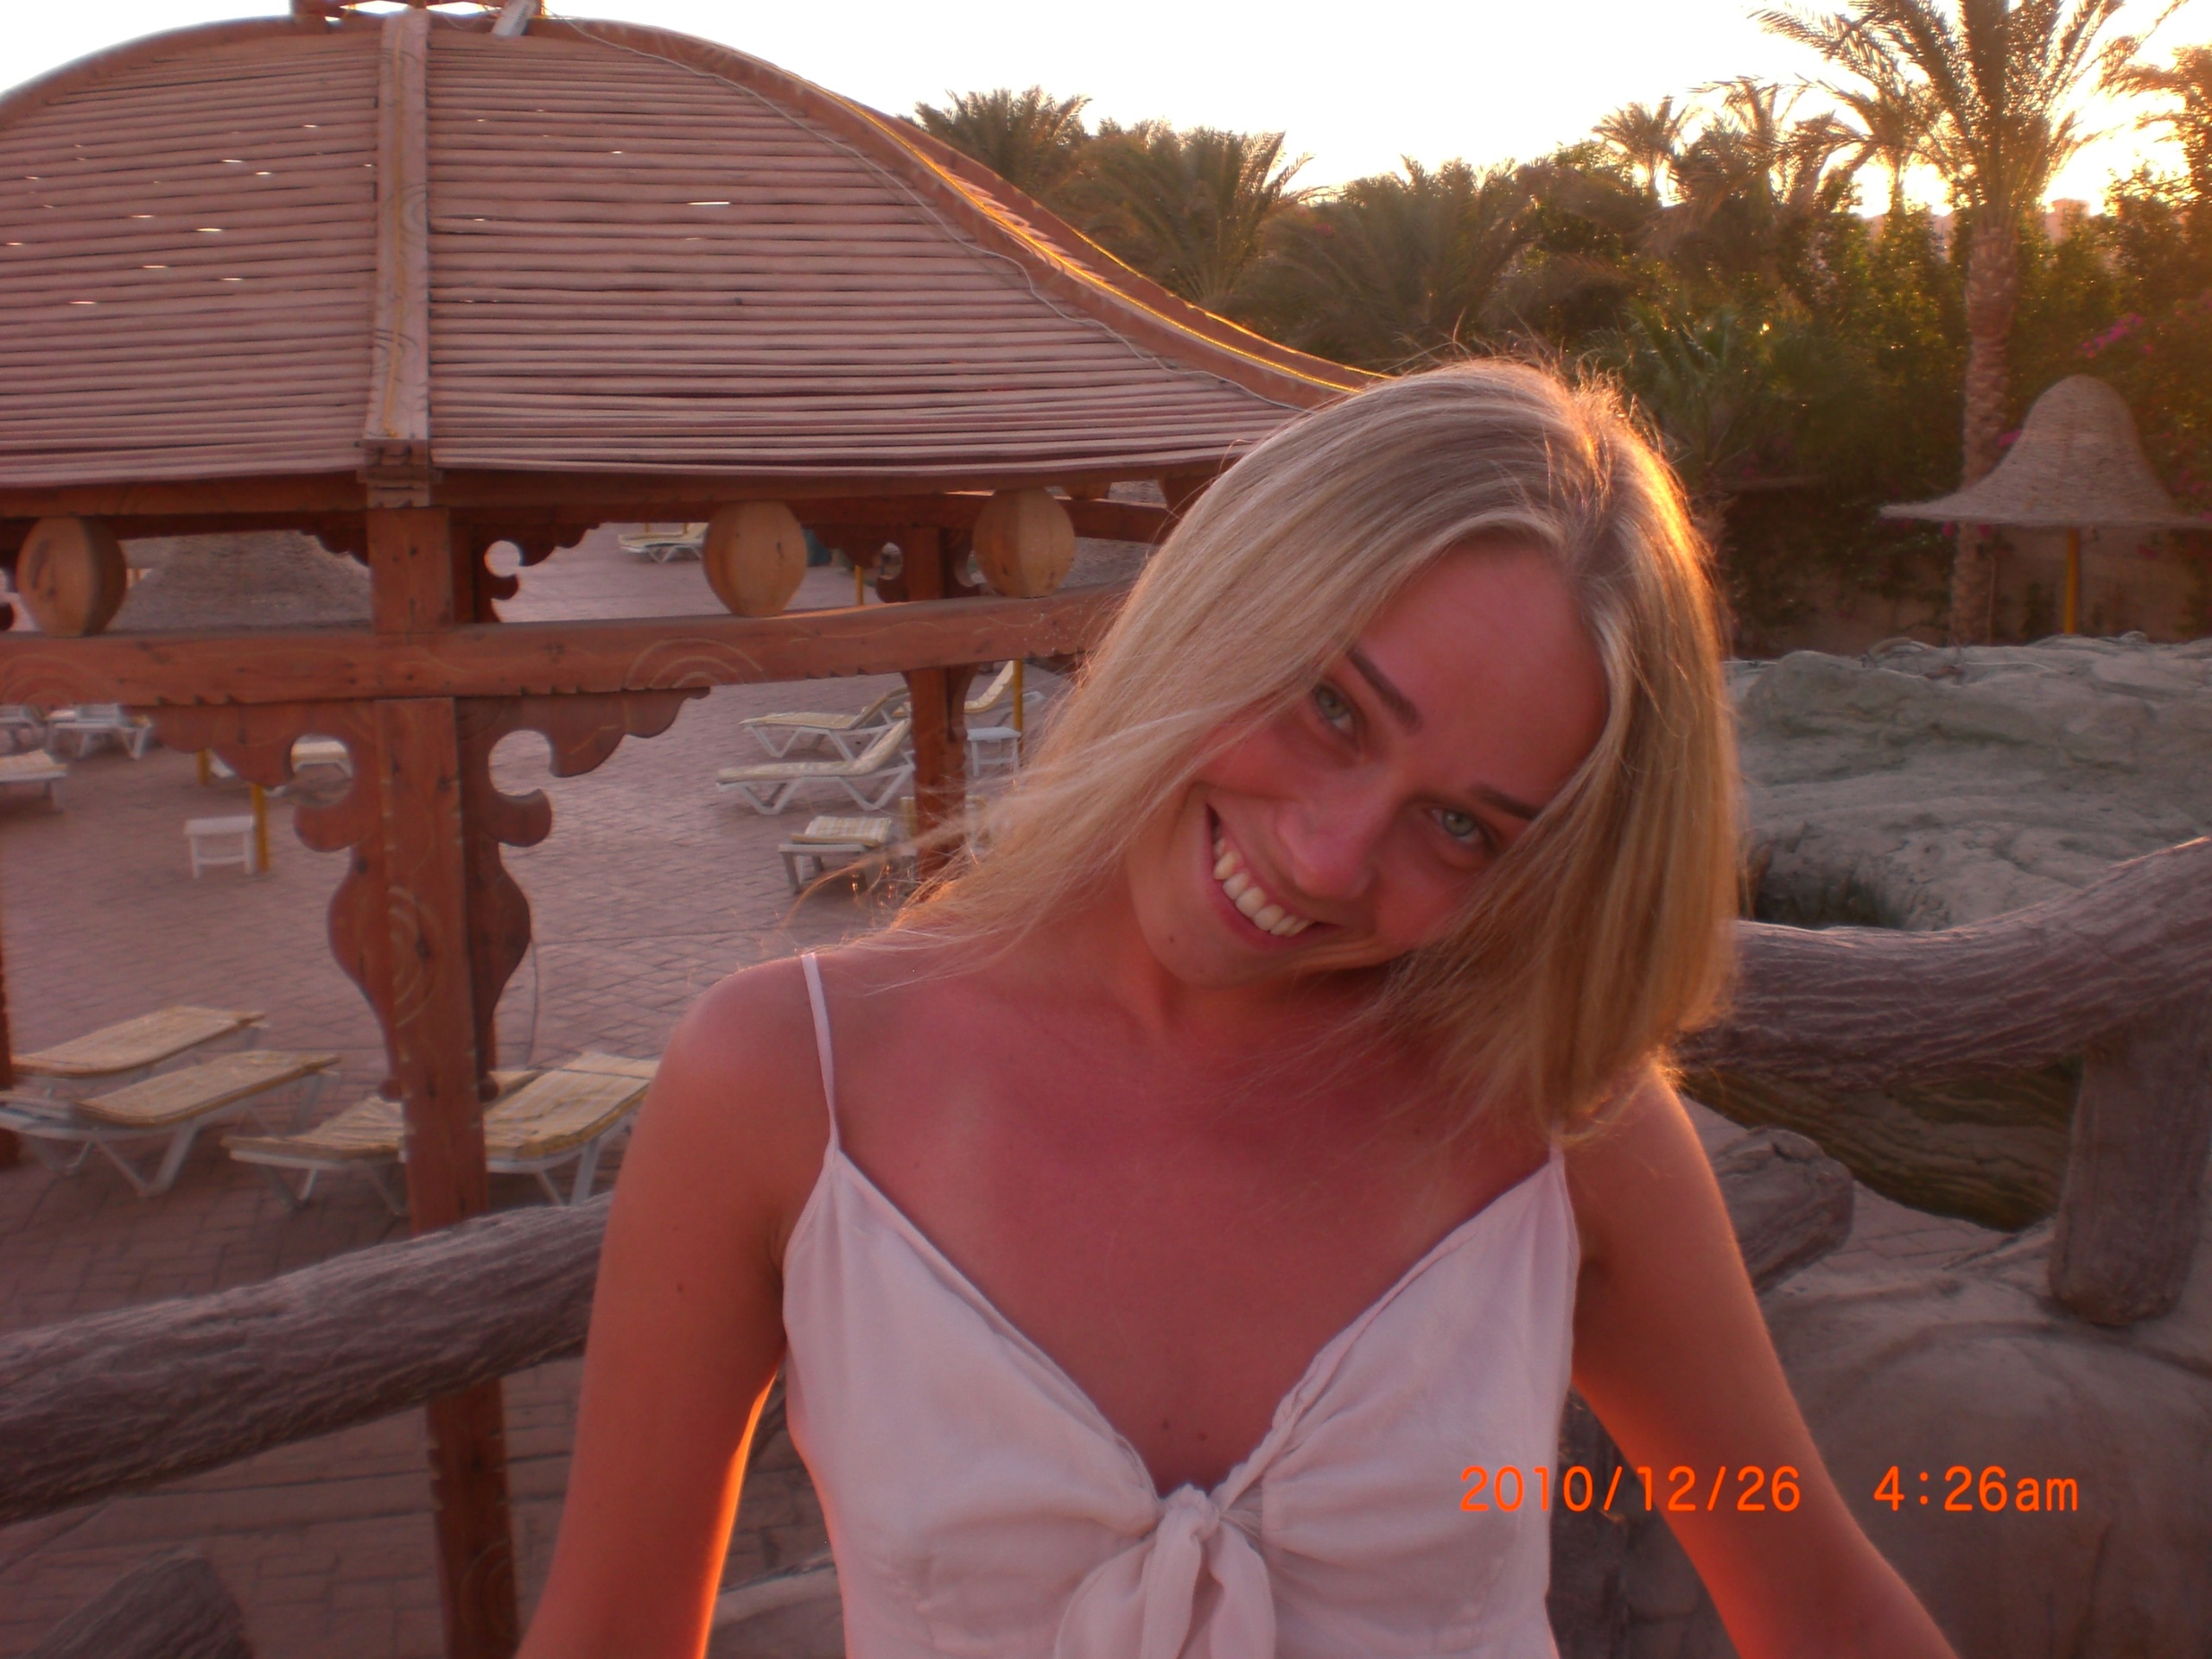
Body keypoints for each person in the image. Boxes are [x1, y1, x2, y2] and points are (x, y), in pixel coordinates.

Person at [518, 360, 1960, 1659]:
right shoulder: (789, 1086)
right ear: (1225, 601)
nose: (1329, 859)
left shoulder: (1564, 1135)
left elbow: (1826, 1612)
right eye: (1334, 708)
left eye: (1462, 827)